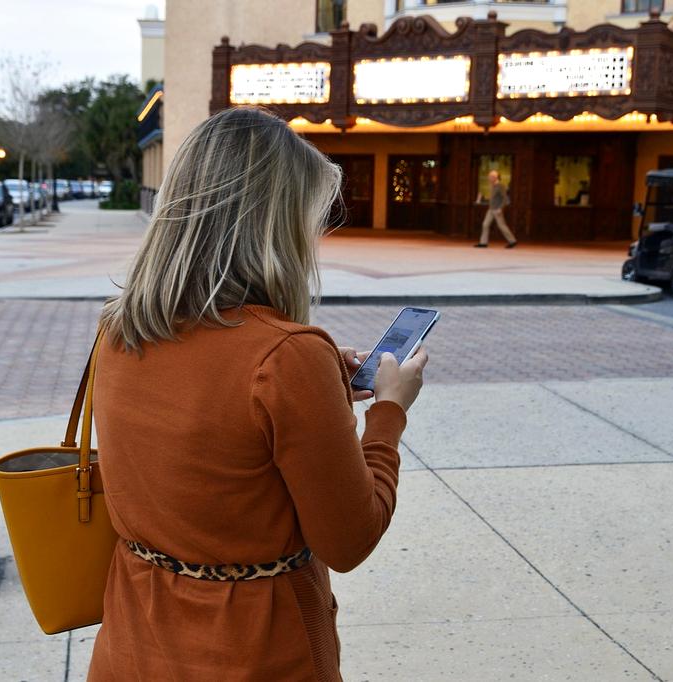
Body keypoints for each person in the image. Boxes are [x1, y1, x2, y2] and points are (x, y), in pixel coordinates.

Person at [87, 106, 429, 681]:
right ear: (277, 225)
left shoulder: (119, 329)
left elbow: (213, 440)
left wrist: (321, 390)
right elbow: (350, 540)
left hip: (134, 638)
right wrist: (390, 412)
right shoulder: (288, 356)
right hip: (256, 651)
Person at [475, 169, 517, 248]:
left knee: (502, 226)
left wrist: (501, 208)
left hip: (497, 210)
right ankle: (483, 243)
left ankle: (512, 241)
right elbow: (493, 199)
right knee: (485, 224)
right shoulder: (493, 186)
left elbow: (504, 199)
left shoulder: (500, 186)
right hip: (491, 209)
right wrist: (480, 199)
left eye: (490, 177)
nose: (489, 178)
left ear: (495, 177)